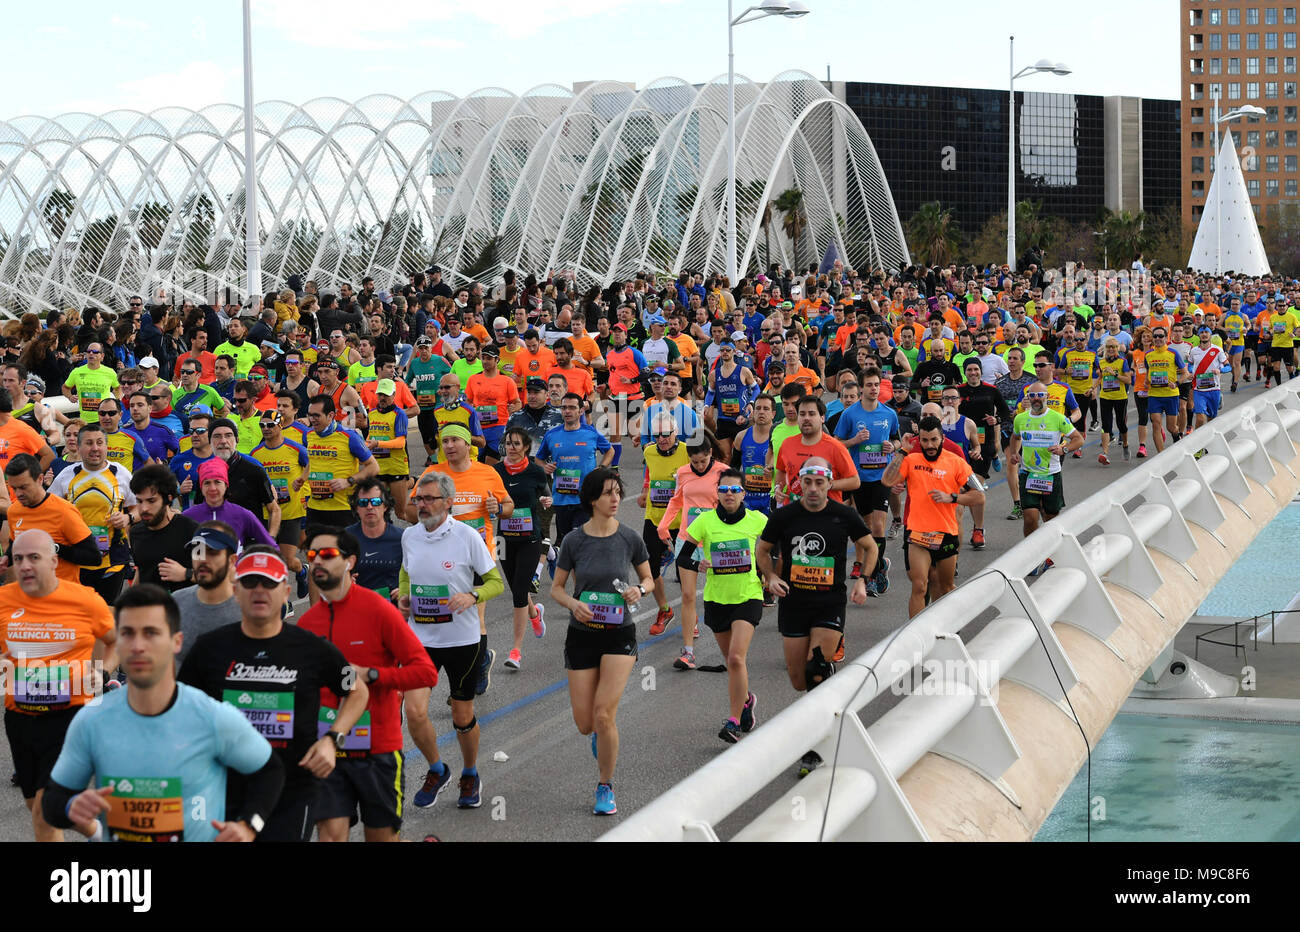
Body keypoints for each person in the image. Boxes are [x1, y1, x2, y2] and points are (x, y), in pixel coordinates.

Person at [43, 584, 284, 843]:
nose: (137, 646)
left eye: (150, 633)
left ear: (176, 641)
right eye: (127, 633)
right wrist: (71, 807)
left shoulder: (212, 717)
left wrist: (249, 826)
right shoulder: (91, 720)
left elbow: (270, 771)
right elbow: (53, 802)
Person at [179, 545, 370, 842]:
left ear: (286, 592)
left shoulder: (313, 648)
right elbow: (181, 709)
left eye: (269, 583)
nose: (259, 591)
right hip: (223, 788)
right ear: (235, 590)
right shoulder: (208, 648)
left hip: (292, 791)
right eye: (250, 582)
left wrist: (332, 741)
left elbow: (357, 691)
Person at [299, 526, 438, 842]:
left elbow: (425, 673)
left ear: (350, 561)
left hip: (378, 749)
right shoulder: (308, 624)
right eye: (311, 555)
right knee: (330, 836)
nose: (317, 561)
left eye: (327, 554)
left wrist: (375, 675)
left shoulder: (379, 611)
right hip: (329, 751)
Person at [756, 460, 874, 777]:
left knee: (816, 669)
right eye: (807, 482)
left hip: (829, 603)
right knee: (798, 680)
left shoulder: (843, 514)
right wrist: (769, 577)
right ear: (799, 484)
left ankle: (816, 745)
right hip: (794, 604)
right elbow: (762, 549)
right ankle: (828, 694)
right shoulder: (784, 516)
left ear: (828, 484)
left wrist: (862, 579)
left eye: (819, 483)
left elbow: (870, 546)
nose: (812, 489)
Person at [0, 529, 116, 841]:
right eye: (19, 558)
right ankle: (100, 833)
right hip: (20, 716)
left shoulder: (85, 600)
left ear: (54, 561)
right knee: (38, 805)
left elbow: (115, 640)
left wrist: (102, 670)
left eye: (33, 558)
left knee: (43, 806)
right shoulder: (3, 602)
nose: (24, 565)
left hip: (70, 717)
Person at [550, 466, 653, 815]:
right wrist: (574, 604)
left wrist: (639, 590)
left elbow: (648, 580)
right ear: (592, 499)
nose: (615, 499)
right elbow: (556, 589)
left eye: (618, 492)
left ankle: (605, 785)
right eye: (608, 493)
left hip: (619, 633)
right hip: (582, 635)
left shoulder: (629, 538)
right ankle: (598, 733)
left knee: (604, 714)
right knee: (585, 723)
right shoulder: (574, 541)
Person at [400, 471, 505, 811]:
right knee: (414, 713)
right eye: (418, 498)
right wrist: (404, 596)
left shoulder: (465, 536)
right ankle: (437, 769)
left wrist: (471, 596)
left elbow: (495, 582)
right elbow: (406, 571)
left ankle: (470, 773)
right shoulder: (410, 537)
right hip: (421, 639)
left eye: (429, 498)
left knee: (462, 715)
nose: (422, 504)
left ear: (448, 502)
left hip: (462, 639)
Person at [678, 467, 766, 743]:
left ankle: (733, 720)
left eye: (735, 490)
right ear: (717, 493)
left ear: (743, 493)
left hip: (748, 596)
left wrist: (770, 575)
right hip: (716, 600)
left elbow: (774, 547)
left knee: (737, 658)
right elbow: (684, 557)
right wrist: (699, 563)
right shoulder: (704, 522)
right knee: (731, 662)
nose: (729, 494)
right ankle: (747, 699)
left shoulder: (758, 520)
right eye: (724, 490)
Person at [881, 416, 986, 619]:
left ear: (942, 438)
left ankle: (943, 628)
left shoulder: (956, 462)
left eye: (934, 440)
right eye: (925, 440)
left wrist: (953, 497)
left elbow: (979, 496)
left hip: (946, 532)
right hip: (917, 533)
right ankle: (916, 636)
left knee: (944, 586)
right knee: (920, 586)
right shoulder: (911, 459)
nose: (929, 445)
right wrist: (903, 451)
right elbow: (887, 480)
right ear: (918, 439)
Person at [657, 431, 729, 669]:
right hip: (687, 540)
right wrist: (664, 525)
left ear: (710, 454)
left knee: (719, 596)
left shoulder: (722, 472)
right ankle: (688, 652)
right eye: (694, 462)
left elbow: (731, 505)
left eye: (703, 461)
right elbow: (677, 500)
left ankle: (731, 651)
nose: (698, 466)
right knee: (687, 595)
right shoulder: (683, 472)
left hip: (713, 542)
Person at [49, 423, 139, 604]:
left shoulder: (120, 473)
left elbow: (139, 508)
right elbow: (49, 509)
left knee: (106, 611)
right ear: (79, 447)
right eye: (89, 443)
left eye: (100, 443)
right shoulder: (68, 474)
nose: (95, 448)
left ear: (106, 446)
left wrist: (127, 518)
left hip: (113, 558)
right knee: (78, 611)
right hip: (76, 558)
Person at [833, 367, 901, 594]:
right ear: (861, 388)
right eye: (869, 385)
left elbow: (897, 441)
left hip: (882, 477)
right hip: (859, 479)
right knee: (867, 527)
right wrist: (855, 440)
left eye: (876, 384)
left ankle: (870, 574)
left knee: (879, 525)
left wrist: (893, 446)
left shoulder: (889, 414)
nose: (873, 389)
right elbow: (837, 444)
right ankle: (881, 564)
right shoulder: (850, 414)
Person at [493, 427, 550, 670]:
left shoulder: (536, 472)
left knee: (519, 591)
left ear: (526, 447)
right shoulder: (495, 471)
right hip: (504, 540)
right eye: (508, 443)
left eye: (516, 443)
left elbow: (547, 496)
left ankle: (516, 650)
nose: (512, 448)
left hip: (529, 538)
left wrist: (547, 500)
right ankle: (535, 614)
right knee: (516, 585)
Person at [1007, 381, 1085, 545]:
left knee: (1050, 519)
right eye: (1032, 395)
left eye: (1040, 395)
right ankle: (1032, 554)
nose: (1036, 398)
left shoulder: (1058, 418)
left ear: (1047, 397)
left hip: (1051, 474)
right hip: (1027, 473)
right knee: (1030, 517)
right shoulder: (1020, 419)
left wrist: (1063, 450)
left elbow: (1078, 439)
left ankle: (1050, 552)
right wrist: (1014, 453)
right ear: (1027, 397)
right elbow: (1015, 437)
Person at [3, 453, 98, 583]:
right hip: (28, 591)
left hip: (61, 593)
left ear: (40, 479)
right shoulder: (14, 511)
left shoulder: (64, 511)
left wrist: (53, 547)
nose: (18, 494)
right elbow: (14, 544)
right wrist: (6, 559)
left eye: (23, 487)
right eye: (14, 488)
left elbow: (93, 557)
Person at [538, 392, 613, 548]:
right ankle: (558, 561)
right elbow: (539, 458)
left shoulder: (590, 433)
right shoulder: (552, 435)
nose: (567, 411)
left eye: (572, 408)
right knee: (566, 543)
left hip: (586, 498)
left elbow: (610, 451)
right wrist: (545, 467)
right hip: (561, 498)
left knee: (579, 541)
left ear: (581, 411)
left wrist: (601, 468)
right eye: (564, 408)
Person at [251, 411, 310, 596]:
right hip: (267, 513)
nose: (265, 429)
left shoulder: (296, 449)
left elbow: (311, 465)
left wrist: (302, 481)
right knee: (266, 559)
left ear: (281, 425)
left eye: (270, 425)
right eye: (262, 426)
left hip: (291, 512)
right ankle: (280, 601)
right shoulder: (256, 453)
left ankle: (302, 571)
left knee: (287, 559)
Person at [301, 393, 378, 530]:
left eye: (316, 416)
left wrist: (348, 481)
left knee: (344, 551)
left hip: (343, 508)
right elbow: (313, 460)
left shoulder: (349, 436)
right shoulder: (308, 435)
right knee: (315, 550)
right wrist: (302, 478)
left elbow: (373, 467)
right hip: (315, 508)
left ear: (330, 415)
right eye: (310, 415)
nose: (312, 420)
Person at [171, 523, 244, 668]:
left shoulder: (249, 609)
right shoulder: (175, 603)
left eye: (212, 552)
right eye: (198, 552)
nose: (203, 559)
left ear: (232, 560)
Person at [774, 395, 859, 506]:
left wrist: (828, 484)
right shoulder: (787, 444)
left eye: (812, 414)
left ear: (822, 418)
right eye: (802, 414)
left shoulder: (836, 447)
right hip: (794, 511)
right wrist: (778, 488)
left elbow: (855, 481)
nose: (806, 418)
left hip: (826, 514)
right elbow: (781, 470)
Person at [128, 463, 198, 592]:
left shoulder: (192, 530)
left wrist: (185, 573)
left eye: (151, 501)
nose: (144, 508)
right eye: (139, 501)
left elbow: (211, 576)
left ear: (168, 498)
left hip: (182, 609)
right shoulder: (135, 532)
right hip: (148, 608)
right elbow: (141, 571)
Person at [1142, 326, 1188, 455]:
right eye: (1155, 336)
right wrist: (1147, 382)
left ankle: (1177, 437)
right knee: (1156, 423)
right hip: (1154, 395)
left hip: (1170, 395)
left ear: (1166, 337)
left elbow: (1185, 373)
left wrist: (1177, 383)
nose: (1157, 339)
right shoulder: (1148, 355)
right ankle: (1161, 456)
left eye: (1160, 336)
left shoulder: (1173, 353)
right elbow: (1147, 374)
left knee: (1171, 427)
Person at [1094, 336, 1133, 464]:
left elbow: (1128, 380)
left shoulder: (1122, 361)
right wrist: (1092, 388)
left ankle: (1125, 445)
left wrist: (1115, 374)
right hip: (1105, 397)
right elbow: (1100, 378)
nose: (1111, 349)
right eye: (1108, 347)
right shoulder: (1101, 362)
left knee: (1121, 424)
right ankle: (1105, 453)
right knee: (1106, 425)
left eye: (1113, 347)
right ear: (1105, 348)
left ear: (1117, 349)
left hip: (1120, 397)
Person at [61, 341, 118, 425]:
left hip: (104, 419)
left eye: (95, 352)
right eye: (88, 352)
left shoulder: (110, 372)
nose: (91, 353)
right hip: (85, 421)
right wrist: (70, 396)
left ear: (102, 356)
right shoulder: (77, 371)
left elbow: (118, 387)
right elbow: (65, 387)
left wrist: (116, 401)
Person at [1190, 324, 1229, 429]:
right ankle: (1198, 442)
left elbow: (1228, 367)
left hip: (1214, 389)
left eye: (1206, 332)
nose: (1204, 334)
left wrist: (1219, 370)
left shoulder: (1218, 350)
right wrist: (1191, 371)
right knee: (1200, 418)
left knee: (1211, 420)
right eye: (1201, 332)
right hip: (1199, 390)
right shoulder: (1194, 351)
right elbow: (1190, 364)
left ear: (1210, 334)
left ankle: (1209, 441)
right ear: (1198, 335)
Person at [124, 390, 178, 462]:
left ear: (150, 408)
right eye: (132, 406)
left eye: (140, 405)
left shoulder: (162, 431)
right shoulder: (124, 432)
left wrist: (166, 466)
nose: (135, 408)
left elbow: (180, 455)